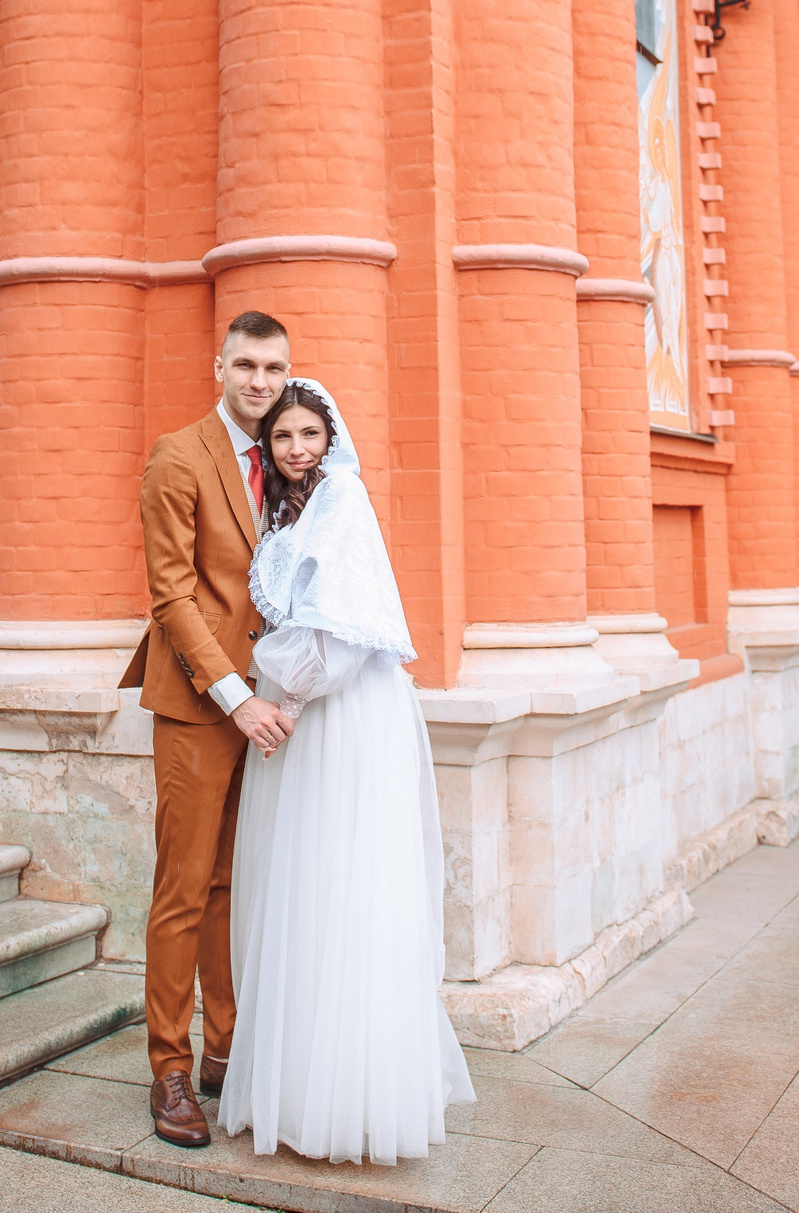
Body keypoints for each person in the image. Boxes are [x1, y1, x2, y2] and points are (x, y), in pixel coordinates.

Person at [220, 379, 475, 1164]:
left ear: (330, 438)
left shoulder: (343, 502)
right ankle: (302, 1087)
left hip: (338, 715)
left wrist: (276, 686)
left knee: (346, 887)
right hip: (303, 711)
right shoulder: (291, 508)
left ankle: (354, 1095)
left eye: (309, 434)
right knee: (304, 892)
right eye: (284, 437)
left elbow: (341, 637)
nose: (298, 448)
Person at [126, 310, 299, 1147]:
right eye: (246, 366)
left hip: (268, 704)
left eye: (273, 367)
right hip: (202, 704)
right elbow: (172, 594)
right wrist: (237, 696)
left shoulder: (291, 457)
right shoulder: (179, 454)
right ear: (218, 367)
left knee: (236, 885)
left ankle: (225, 1052)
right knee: (184, 887)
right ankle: (168, 1064)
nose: (259, 382)